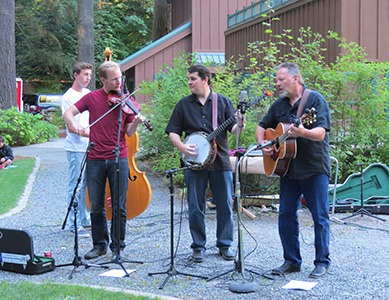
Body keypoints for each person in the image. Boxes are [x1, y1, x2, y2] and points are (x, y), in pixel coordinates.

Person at [63, 61, 145, 260]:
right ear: (103, 80)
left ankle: (118, 247)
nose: (119, 82)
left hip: (119, 157)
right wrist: (74, 126)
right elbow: (68, 113)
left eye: (120, 78)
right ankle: (99, 245)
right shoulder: (92, 98)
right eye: (114, 79)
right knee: (97, 204)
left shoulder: (126, 101)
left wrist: (135, 122)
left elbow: (128, 132)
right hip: (95, 158)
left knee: (119, 205)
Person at [255, 62, 331, 278]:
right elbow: (261, 127)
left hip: (313, 167)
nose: (277, 84)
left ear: (295, 78)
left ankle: (322, 261)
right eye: (277, 80)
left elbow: (320, 133)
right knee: (286, 214)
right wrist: (265, 144)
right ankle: (291, 261)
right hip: (287, 169)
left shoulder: (315, 100)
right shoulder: (279, 105)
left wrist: (302, 132)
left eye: (281, 79)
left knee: (320, 216)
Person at [165, 64, 246, 263]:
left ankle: (225, 245)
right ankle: (198, 246)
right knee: (195, 205)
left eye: (193, 78)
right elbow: (173, 131)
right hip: (193, 162)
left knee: (226, 205)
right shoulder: (183, 105)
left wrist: (241, 122)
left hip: (220, 162)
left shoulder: (223, 102)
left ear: (205, 79)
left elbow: (235, 130)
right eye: (189, 79)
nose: (190, 82)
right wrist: (183, 147)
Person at [61, 61, 93, 238]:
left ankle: (85, 218)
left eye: (89, 75)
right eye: (85, 75)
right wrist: (94, 134)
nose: (88, 78)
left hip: (90, 146)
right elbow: (72, 127)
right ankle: (74, 223)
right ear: (76, 75)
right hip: (76, 147)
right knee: (76, 185)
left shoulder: (89, 94)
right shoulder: (68, 97)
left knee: (88, 185)